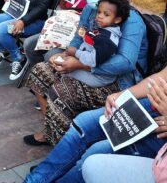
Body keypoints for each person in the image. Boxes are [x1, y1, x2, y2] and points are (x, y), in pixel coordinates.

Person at [23, 0, 148, 146]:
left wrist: (80, 64)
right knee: (39, 72)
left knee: (60, 91)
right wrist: (66, 56)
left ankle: (62, 147)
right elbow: (78, 35)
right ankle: (51, 129)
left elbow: (126, 62)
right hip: (85, 62)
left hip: (116, 81)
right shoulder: (92, 9)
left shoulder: (129, 18)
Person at [23, 71, 167, 183]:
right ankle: (35, 179)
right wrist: (122, 95)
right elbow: (161, 78)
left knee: (99, 151)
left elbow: (124, 60)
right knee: (84, 123)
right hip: (155, 104)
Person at [23, 0, 112, 70]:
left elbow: (88, 29)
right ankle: (41, 72)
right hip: (66, 26)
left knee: (51, 55)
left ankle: (52, 74)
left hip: (84, 40)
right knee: (29, 44)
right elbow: (63, 7)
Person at [63, 0, 130, 87]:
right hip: (87, 65)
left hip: (99, 77)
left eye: (106, 14)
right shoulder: (103, 29)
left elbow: (92, 60)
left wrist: (75, 53)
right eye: (99, 12)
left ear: (117, 20)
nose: (100, 16)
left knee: (64, 72)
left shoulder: (107, 39)